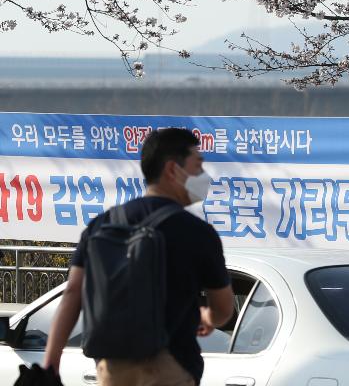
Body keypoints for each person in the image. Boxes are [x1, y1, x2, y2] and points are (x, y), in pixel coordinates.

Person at [43, 127, 234, 386]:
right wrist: (206, 318)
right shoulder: (197, 232)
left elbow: (72, 293)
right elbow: (223, 309)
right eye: (197, 165)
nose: (203, 175)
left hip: (112, 367)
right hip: (170, 367)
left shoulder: (102, 224)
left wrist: (51, 363)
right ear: (172, 170)